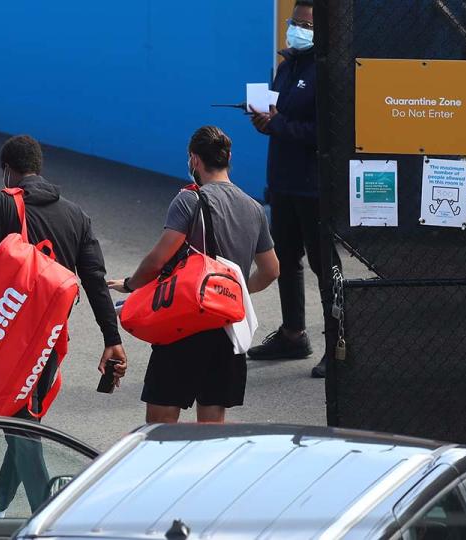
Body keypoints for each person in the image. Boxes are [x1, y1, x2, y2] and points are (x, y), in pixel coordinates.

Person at [0, 135, 128, 519]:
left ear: (8, 170)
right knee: (24, 418)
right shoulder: (77, 216)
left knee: (21, 425)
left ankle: (46, 519)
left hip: (6, 337)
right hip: (50, 342)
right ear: (38, 167)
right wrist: (112, 339)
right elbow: (95, 281)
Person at [108, 126, 279, 424]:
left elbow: (158, 259)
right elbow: (271, 269)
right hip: (226, 327)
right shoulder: (254, 208)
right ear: (228, 158)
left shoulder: (190, 200)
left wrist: (130, 285)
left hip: (183, 323)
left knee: (161, 426)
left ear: (194, 160)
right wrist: (231, 291)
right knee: (211, 425)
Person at [247, 0, 341, 378]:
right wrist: (262, 120)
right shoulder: (286, 68)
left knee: (324, 267)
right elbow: (276, 116)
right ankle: (293, 335)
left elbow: (326, 134)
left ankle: (337, 346)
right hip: (282, 182)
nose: (297, 28)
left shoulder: (327, 73)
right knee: (285, 260)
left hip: (314, 187)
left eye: (305, 24)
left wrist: (279, 124)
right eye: (294, 21)